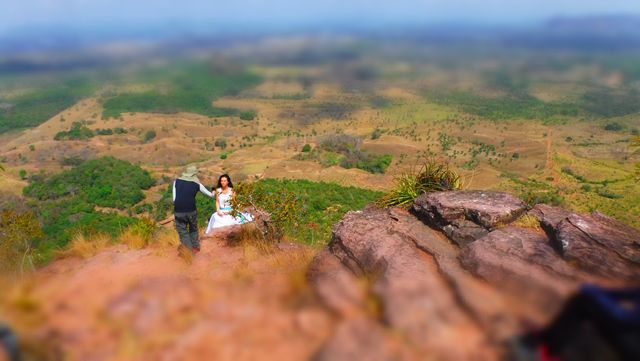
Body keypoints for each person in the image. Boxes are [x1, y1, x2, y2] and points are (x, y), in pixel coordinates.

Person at [173, 165, 214, 254]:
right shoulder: (197, 184)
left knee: (183, 231)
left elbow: (174, 199)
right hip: (191, 210)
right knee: (193, 228)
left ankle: (188, 251)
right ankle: (195, 247)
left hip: (179, 211)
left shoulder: (176, 181)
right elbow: (210, 195)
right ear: (194, 174)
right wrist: (215, 191)